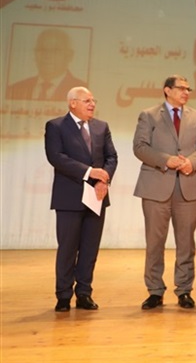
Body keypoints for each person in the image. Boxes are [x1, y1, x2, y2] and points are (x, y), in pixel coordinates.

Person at [133, 74, 196, 310]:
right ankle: (155, 291)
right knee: (155, 242)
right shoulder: (149, 115)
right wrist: (167, 160)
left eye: (188, 89)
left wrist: (191, 163)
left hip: (189, 185)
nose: (186, 92)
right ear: (167, 90)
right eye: (181, 88)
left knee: (186, 243)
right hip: (156, 186)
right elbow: (140, 147)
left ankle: (184, 290)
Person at [44, 86, 118, 312]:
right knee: (68, 249)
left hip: (97, 196)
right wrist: (89, 172)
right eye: (87, 101)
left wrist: (104, 180)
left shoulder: (101, 127)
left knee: (89, 249)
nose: (92, 104)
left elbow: (111, 157)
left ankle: (84, 293)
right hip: (69, 197)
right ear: (72, 103)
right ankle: (63, 295)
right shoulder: (56, 126)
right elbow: (56, 157)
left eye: (93, 100)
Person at [6, 28, 88, 101]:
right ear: (35, 54)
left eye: (55, 50)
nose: (47, 56)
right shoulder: (15, 89)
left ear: (69, 55)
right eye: (42, 50)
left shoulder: (83, 91)